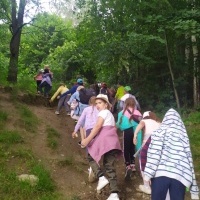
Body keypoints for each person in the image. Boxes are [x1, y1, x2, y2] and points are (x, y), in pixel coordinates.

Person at [143, 108, 199, 200]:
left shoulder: (159, 132)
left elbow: (154, 153)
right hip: (180, 175)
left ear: (165, 120)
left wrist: (148, 174)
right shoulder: (183, 136)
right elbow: (189, 160)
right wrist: (194, 189)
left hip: (160, 174)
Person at [81, 94, 122, 200]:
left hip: (105, 140)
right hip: (113, 142)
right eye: (96, 103)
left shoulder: (103, 112)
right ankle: (114, 193)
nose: (97, 105)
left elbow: (98, 126)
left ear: (106, 104)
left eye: (100, 103)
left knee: (90, 155)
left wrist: (87, 139)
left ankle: (101, 177)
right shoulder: (110, 115)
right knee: (109, 166)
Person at [71, 96, 99, 182]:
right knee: (97, 148)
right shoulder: (100, 110)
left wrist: (75, 130)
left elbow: (80, 121)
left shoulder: (86, 109)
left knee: (89, 148)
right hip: (98, 130)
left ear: (89, 102)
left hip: (89, 130)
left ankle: (92, 167)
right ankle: (96, 165)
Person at [133, 111, 161, 194]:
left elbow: (139, 126)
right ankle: (156, 184)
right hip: (158, 146)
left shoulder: (145, 121)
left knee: (143, 163)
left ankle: (147, 186)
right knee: (156, 164)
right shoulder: (158, 122)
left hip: (147, 145)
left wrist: (135, 135)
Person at [116, 97, 142, 180]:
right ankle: (133, 165)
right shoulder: (138, 112)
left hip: (127, 131)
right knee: (132, 148)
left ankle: (128, 166)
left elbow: (118, 124)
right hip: (136, 132)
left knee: (126, 149)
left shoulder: (121, 113)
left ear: (125, 104)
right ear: (134, 104)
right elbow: (141, 123)